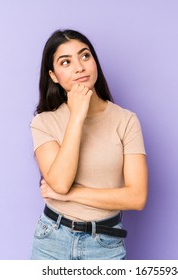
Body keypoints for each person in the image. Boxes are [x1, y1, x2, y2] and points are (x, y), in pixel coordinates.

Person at [30, 29, 148, 260]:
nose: (79, 67)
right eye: (66, 62)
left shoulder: (126, 121)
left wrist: (71, 195)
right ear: (53, 76)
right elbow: (60, 183)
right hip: (52, 241)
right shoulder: (44, 122)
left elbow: (137, 197)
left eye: (85, 56)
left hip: (104, 244)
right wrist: (77, 117)